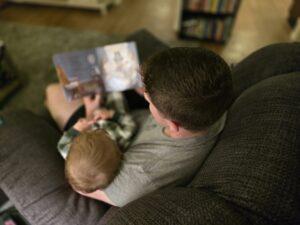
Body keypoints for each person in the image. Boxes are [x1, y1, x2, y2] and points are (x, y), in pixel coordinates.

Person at [45, 47, 234, 207]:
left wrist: (89, 115)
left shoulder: (140, 176)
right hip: (129, 118)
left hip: (104, 134)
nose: (145, 94)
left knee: (53, 92)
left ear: (173, 125)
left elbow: (80, 183)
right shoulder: (215, 99)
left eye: (148, 98)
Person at [57, 92, 136, 195]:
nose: (95, 130)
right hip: (110, 117)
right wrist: (111, 114)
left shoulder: (68, 152)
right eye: (104, 134)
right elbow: (130, 123)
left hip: (88, 118)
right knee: (116, 96)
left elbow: (62, 145)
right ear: (118, 153)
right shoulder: (121, 137)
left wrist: (76, 129)